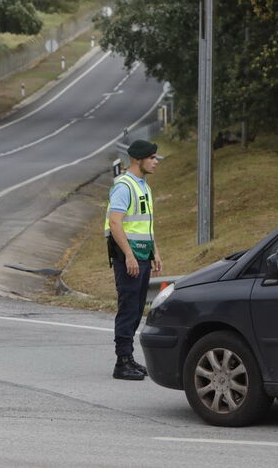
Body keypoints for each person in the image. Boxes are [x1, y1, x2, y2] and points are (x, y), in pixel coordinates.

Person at [104, 139, 163, 380]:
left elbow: (145, 224)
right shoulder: (124, 186)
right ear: (138, 160)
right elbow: (115, 223)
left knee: (137, 308)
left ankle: (129, 358)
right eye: (152, 158)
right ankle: (122, 362)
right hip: (128, 257)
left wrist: (155, 252)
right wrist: (129, 255)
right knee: (128, 308)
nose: (156, 162)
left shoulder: (143, 186)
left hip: (142, 254)